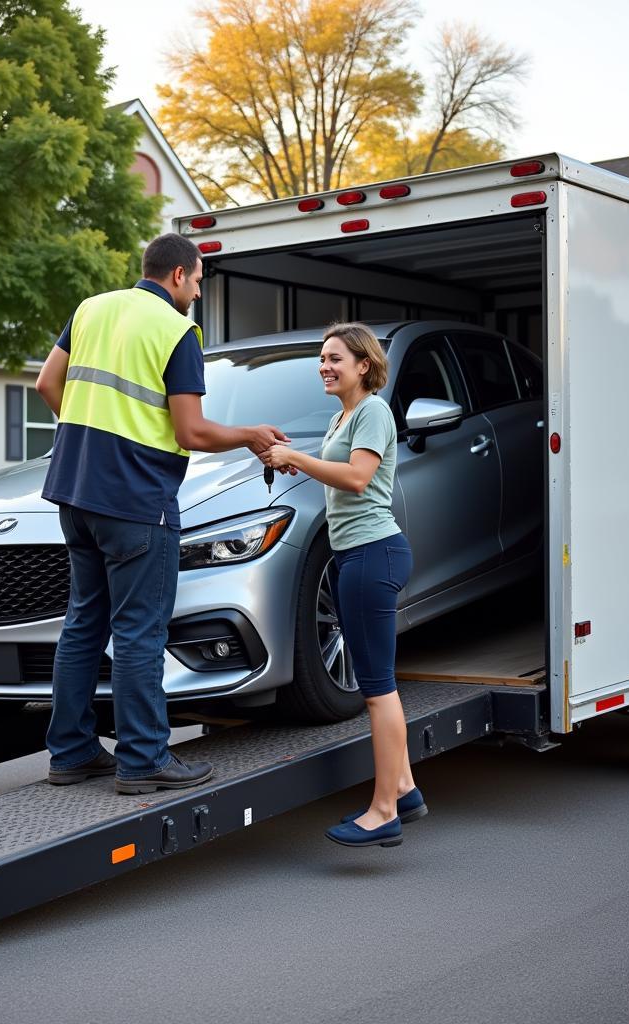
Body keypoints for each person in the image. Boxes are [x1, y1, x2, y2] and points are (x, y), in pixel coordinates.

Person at [35, 233, 289, 794]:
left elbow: (47, 384)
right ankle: (144, 760)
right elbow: (190, 432)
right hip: (134, 503)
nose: (197, 292)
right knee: (138, 634)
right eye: (198, 281)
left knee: (83, 625)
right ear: (178, 275)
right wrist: (250, 435)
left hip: (75, 495)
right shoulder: (177, 332)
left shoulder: (91, 309)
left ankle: (72, 753)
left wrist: (90, 436)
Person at [260, 323, 425, 848]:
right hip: (357, 555)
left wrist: (297, 459)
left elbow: (357, 478)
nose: (324, 366)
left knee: (378, 690)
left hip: (373, 555)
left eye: (334, 358)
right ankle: (405, 787)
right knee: (380, 685)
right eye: (322, 359)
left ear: (363, 365)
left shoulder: (373, 410)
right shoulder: (343, 416)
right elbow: (344, 474)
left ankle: (384, 811)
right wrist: (293, 462)